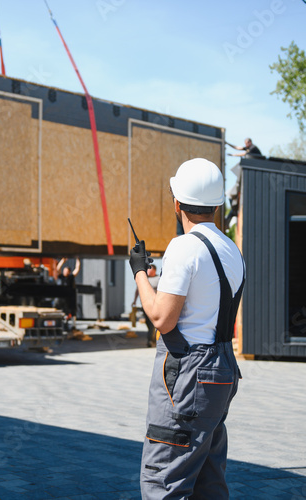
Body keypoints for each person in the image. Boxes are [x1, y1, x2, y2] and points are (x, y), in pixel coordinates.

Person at [129, 158, 245, 499]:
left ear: (177, 202)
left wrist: (139, 272)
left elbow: (162, 318)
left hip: (188, 373)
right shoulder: (232, 250)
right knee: (208, 478)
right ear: (217, 204)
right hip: (221, 370)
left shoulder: (183, 247)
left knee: (165, 480)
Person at [132, 264, 160, 347]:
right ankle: (151, 337)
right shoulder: (144, 279)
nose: (148, 271)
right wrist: (134, 301)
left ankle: (150, 340)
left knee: (152, 323)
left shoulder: (158, 279)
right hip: (144, 304)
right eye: (147, 269)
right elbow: (138, 290)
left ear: (154, 270)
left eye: (150, 269)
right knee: (148, 322)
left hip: (155, 305)